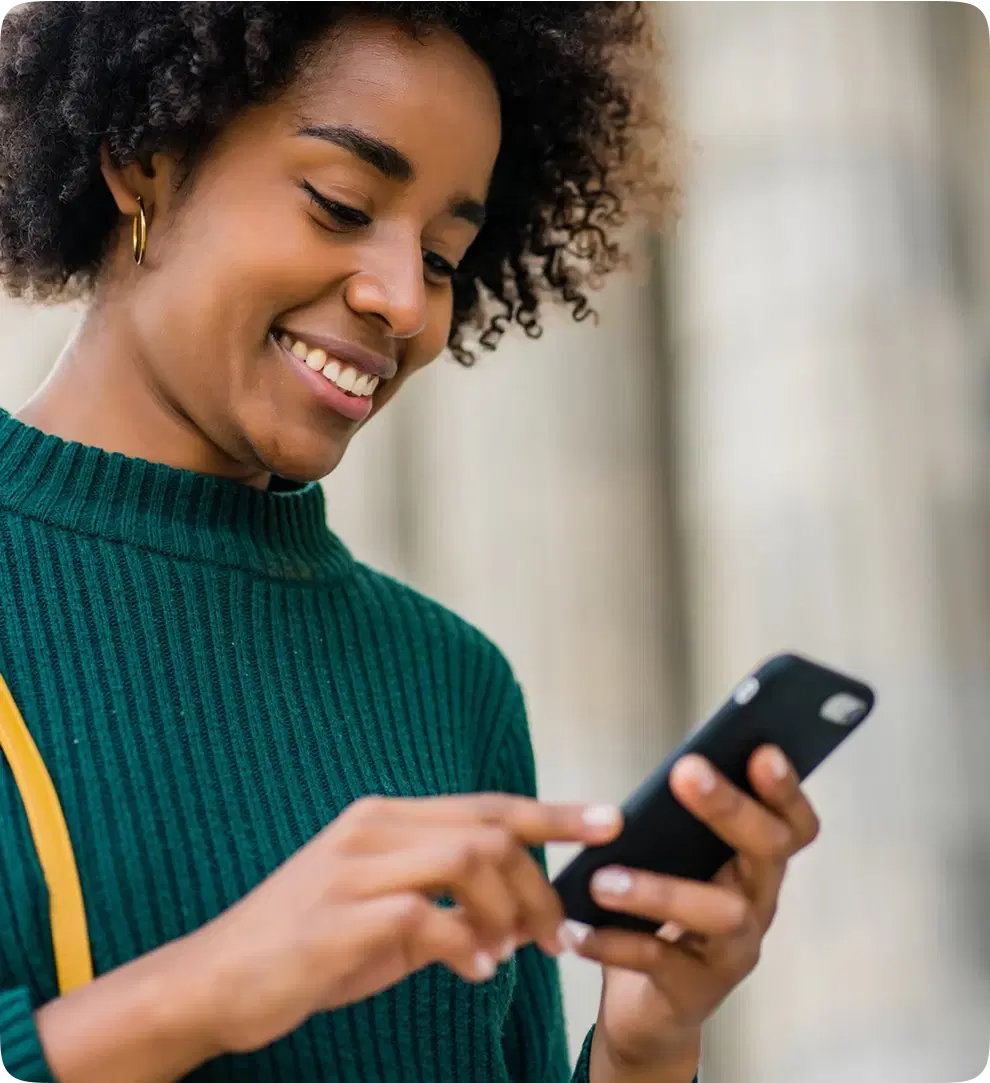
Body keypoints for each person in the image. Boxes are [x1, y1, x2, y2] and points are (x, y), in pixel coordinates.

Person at [0, 2, 822, 1081]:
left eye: (443, 257)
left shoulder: (453, 684)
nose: (402, 303)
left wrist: (644, 1046)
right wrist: (213, 986)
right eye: (342, 204)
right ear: (143, 159)